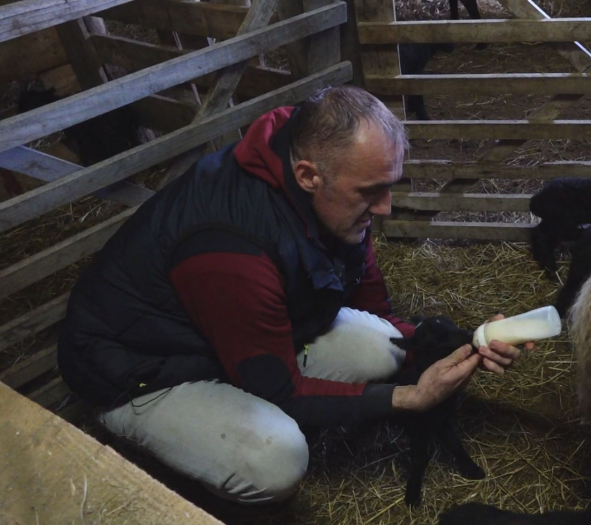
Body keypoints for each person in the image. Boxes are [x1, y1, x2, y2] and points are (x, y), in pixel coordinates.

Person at [57, 85, 533, 504]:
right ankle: (166, 442)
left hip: (229, 335)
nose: (385, 207)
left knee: (381, 346)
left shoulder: (330, 178)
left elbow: (378, 311)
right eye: (372, 191)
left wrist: (467, 342)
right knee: (276, 459)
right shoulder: (232, 249)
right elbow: (278, 391)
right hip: (141, 369)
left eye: (389, 186)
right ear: (308, 176)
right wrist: (409, 398)